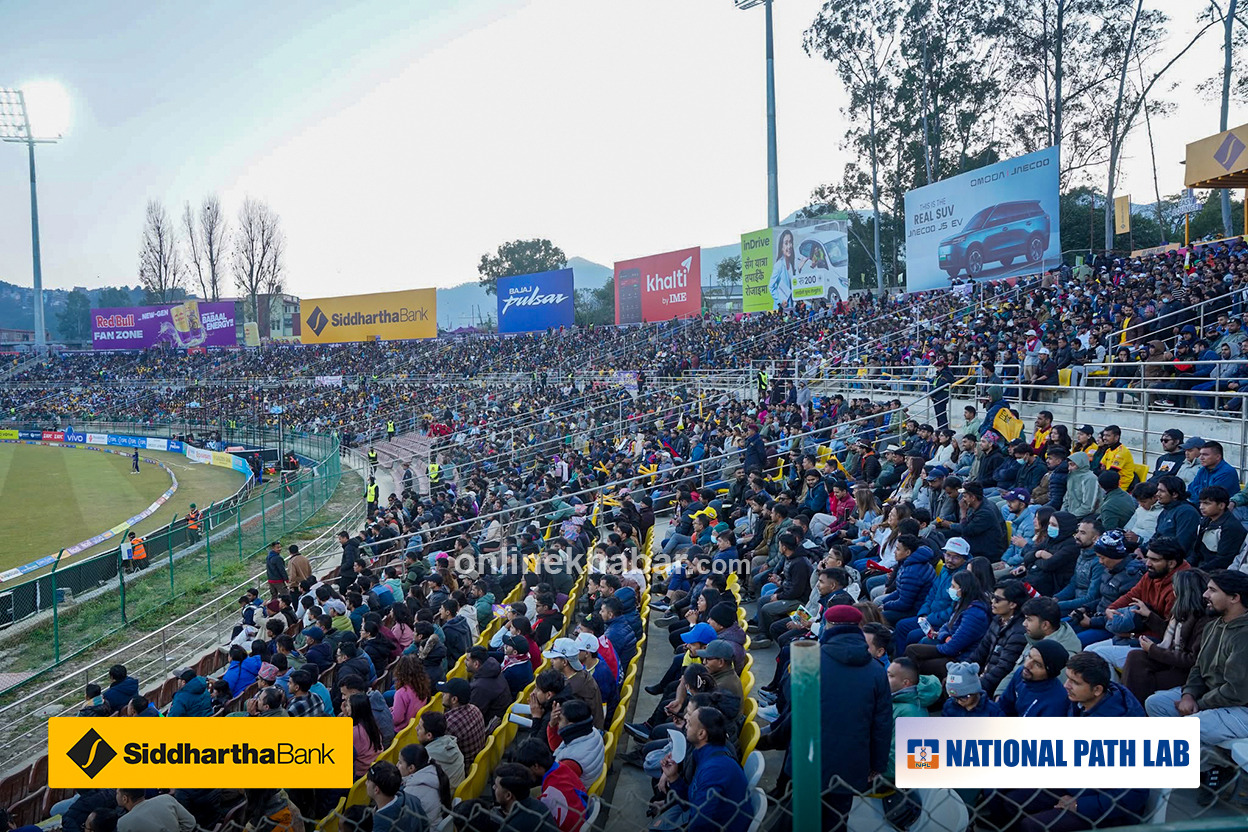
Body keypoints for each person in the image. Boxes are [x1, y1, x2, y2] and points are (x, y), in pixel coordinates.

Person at [1146, 568, 1248, 805]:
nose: (1205, 595)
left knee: (1185, 729)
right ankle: (1211, 765)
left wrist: (1198, 705)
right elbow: (1198, 668)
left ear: (1235, 598)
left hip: (1241, 708)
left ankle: (1216, 765)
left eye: (1212, 590)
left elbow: (1237, 692)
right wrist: (1189, 695)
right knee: (1156, 704)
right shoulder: (1214, 625)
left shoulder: (1244, 635)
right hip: (1210, 701)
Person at [816, 605, 891, 830]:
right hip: (853, 759)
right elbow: (882, 724)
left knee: (805, 816)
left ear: (829, 626)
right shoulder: (877, 671)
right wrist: (877, 764)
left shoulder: (810, 660)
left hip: (811, 755)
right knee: (838, 817)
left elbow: (794, 710)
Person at [1121, 568, 1210, 706]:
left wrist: (1153, 649)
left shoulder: (1204, 621)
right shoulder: (1182, 611)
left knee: (1142, 679)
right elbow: (1170, 634)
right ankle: (1129, 706)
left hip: (1188, 672)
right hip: (1172, 661)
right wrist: (1149, 616)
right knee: (1136, 657)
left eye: (1175, 588)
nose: (1173, 591)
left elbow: (1192, 660)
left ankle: (1133, 709)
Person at [655, 706, 751, 832]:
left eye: (689, 724)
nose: (686, 726)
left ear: (701, 734)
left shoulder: (715, 770)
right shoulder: (710, 754)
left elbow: (699, 823)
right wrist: (673, 777)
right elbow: (691, 800)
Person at [904, 571, 992, 677]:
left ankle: (910, 679)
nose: (950, 589)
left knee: (916, 657)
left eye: (953, 586)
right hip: (950, 647)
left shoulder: (975, 614)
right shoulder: (963, 603)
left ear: (963, 589)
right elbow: (946, 626)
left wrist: (944, 638)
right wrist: (945, 637)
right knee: (914, 649)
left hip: (961, 658)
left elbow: (952, 647)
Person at [514, 737, 587, 832]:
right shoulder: (562, 767)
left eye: (526, 770)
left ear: (536, 766)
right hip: (581, 819)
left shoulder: (550, 792)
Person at [885, 657, 940, 779]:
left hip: (888, 779)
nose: (884, 679)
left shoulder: (910, 713)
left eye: (890, 676)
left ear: (906, 683)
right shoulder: (896, 701)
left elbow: (898, 764)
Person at [972, 580, 1029, 695]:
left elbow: (1003, 669)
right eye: (993, 597)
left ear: (1012, 604)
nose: (992, 602)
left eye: (997, 599)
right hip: (983, 676)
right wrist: (960, 670)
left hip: (995, 687)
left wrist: (974, 687)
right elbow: (980, 653)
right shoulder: (997, 620)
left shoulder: (1019, 632)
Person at [543, 637, 605, 730]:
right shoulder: (583, 674)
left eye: (554, 658)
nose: (551, 661)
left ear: (565, 662)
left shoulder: (571, 691)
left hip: (586, 733)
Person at [998, 640, 1071, 717]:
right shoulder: (1021, 673)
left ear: (1050, 672)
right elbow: (1003, 706)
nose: (1027, 665)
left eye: (1037, 664)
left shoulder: (1056, 704)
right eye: (1029, 656)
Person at [1192, 486, 1247, 570]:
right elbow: (1196, 552)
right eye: (1201, 503)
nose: (1201, 507)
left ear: (1221, 505)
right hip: (1201, 567)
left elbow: (1223, 561)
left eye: (1207, 503)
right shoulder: (1206, 521)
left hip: (1217, 572)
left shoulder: (1231, 527)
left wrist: (1196, 572)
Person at [398, 743, 452, 827]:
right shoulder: (434, 772)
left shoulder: (412, 792)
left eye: (400, 762)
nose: (397, 765)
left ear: (411, 768)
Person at [368, 760, 428, 832]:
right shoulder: (412, 799)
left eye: (368, 781)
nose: (365, 783)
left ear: (376, 790)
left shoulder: (379, 827)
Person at [439, 677, 487, 762]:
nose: (442, 694)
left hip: (463, 766)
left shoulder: (450, 724)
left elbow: (439, 753)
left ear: (454, 699)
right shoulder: (475, 709)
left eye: (445, 693)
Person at [418, 711, 465, 788]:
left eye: (419, 728)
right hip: (457, 790)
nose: (416, 728)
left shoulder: (427, 757)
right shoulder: (452, 743)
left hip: (444, 794)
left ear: (429, 735)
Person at [347, 691, 387, 779]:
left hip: (360, 773)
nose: (346, 708)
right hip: (372, 766)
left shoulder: (355, 732)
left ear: (355, 709)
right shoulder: (371, 724)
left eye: (348, 706)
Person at [114, 790, 196, 832]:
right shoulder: (166, 799)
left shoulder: (123, 823)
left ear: (125, 798)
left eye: (117, 793)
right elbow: (190, 822)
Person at [1189, 441, 1240, 507]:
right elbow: (1191, 488)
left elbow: (1211, 497)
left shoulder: (1227, 472)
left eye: (1205, 455)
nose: (1201, 458)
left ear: (1218, 457)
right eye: (1200, 454)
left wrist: (1198, 491)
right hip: (1200, 506)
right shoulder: (1202, 470)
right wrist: (1200, 492)